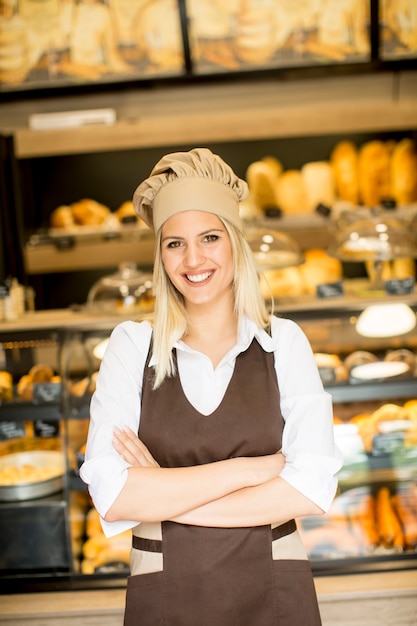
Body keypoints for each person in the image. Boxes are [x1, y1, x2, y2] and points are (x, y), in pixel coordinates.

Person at [80, 147, 343, 626]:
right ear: (160, 254)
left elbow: (311, 489)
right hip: (165, 595)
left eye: (209, 237)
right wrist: (255, 469)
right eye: (174, 243)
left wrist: (164, 491)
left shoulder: (282, 342)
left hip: (274, 593)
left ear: (234, 243)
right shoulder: (132, 345)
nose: (193, 259)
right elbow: (114, 495)